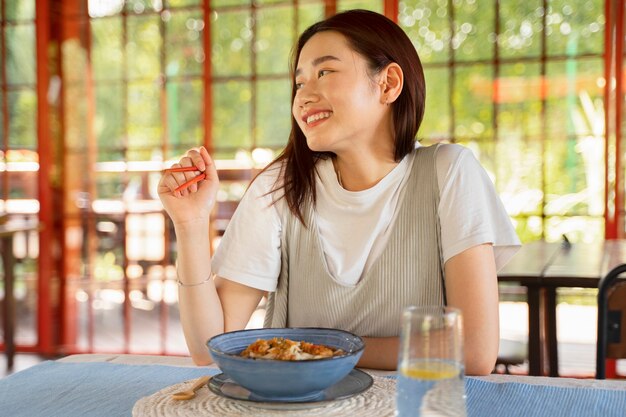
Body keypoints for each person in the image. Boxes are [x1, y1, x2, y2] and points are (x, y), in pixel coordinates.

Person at [158, 9, 520, 375]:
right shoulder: (280, 187)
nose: (303, 97)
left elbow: (473, 351)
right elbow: (210, 346)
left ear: (388, 83)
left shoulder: (449, 172)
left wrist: (316, 350)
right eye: (299, 84)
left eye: (324, 72)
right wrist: (189, 225)